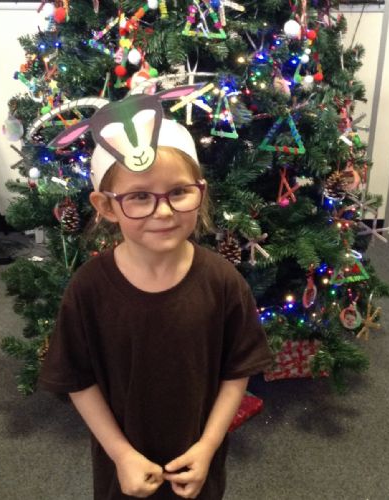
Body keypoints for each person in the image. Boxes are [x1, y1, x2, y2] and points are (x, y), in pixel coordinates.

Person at [39, 90, 273, 500]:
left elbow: (237, 371)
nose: (163, 212)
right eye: (139, 196)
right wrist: (121, 454)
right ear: (106, 206)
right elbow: (78, 379)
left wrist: (208, 446)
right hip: (122, 473)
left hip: (198, 467)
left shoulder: (222, 282)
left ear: (200, 192)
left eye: (178, 192)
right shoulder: (89, 289)